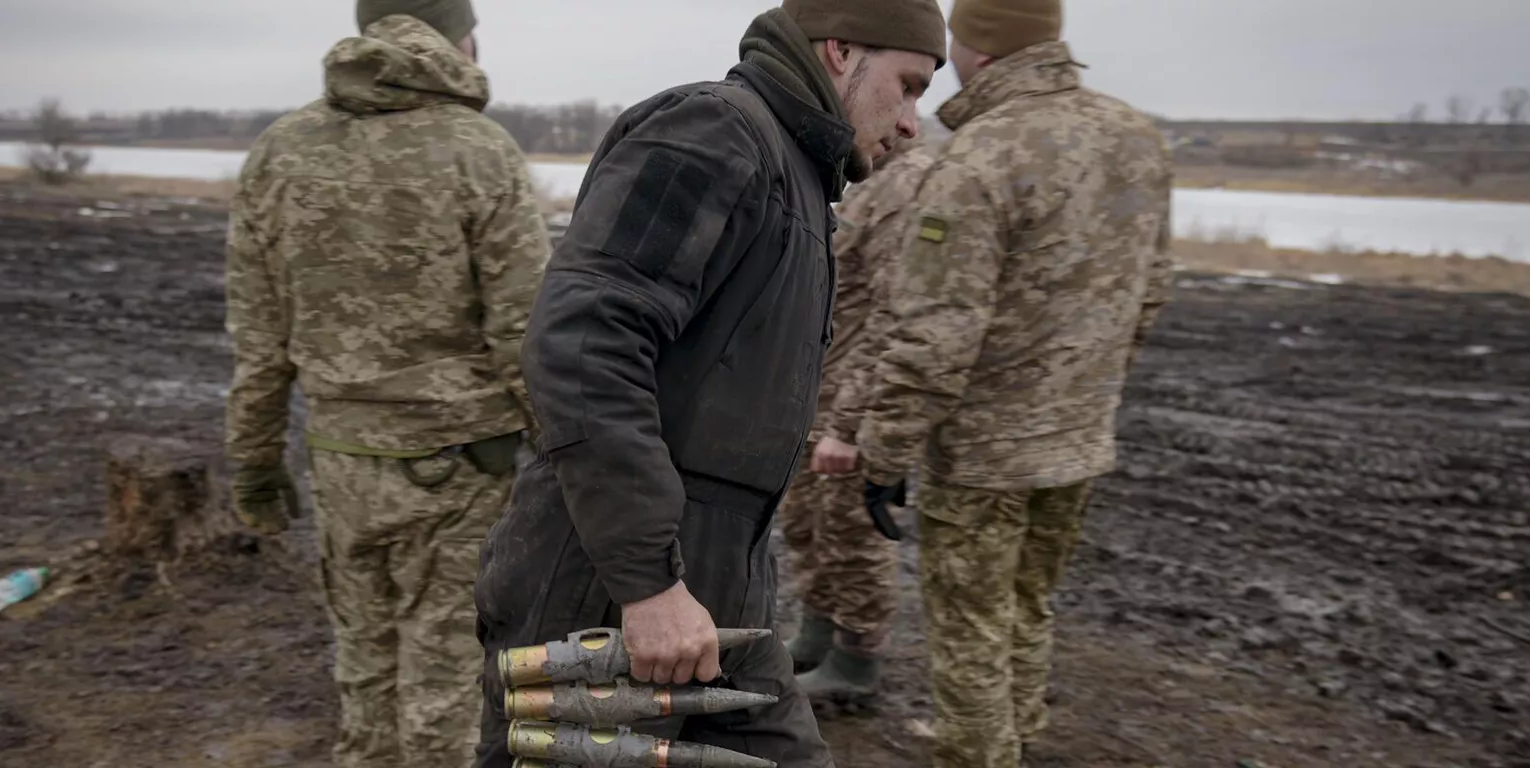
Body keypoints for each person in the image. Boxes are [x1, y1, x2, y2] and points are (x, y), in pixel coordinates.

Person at [470, 1, 947, 766]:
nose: (911, 123)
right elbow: (585, 345)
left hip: (723, 588)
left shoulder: (797, 176)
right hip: (605, 585)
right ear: (839, 50)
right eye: (910, 85)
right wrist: (648, 583)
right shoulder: (714, 133)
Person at [223, 1, 550, 765]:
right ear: (456, 35)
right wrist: (577, 459)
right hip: (464, 473)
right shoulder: (481, 150)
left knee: (365, 677)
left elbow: (259, 341)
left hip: (341, 465)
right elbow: (527, 335)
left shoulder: (279, 150)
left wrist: (254, 465)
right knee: (443, 690)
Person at [852, 0, 1175, 765]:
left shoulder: (981, 156)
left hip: (985, 457)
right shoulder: (1137, 137)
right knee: (1028, 604)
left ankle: (983, 750)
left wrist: (885, 450)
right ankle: (1017, 732)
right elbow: (1151, 291)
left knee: (969, 625)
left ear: (978, 48)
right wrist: (1089, 395)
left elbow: (935, 335)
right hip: (1078, 439)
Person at [779, 139, 938, 700]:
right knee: (807, 527)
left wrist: (856, 418)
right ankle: (818, 635)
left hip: (854, 399)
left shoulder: (908, 184)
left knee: (853, 535)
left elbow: (902, 314)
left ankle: (856, 661)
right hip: (815, 393)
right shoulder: (856, 174)